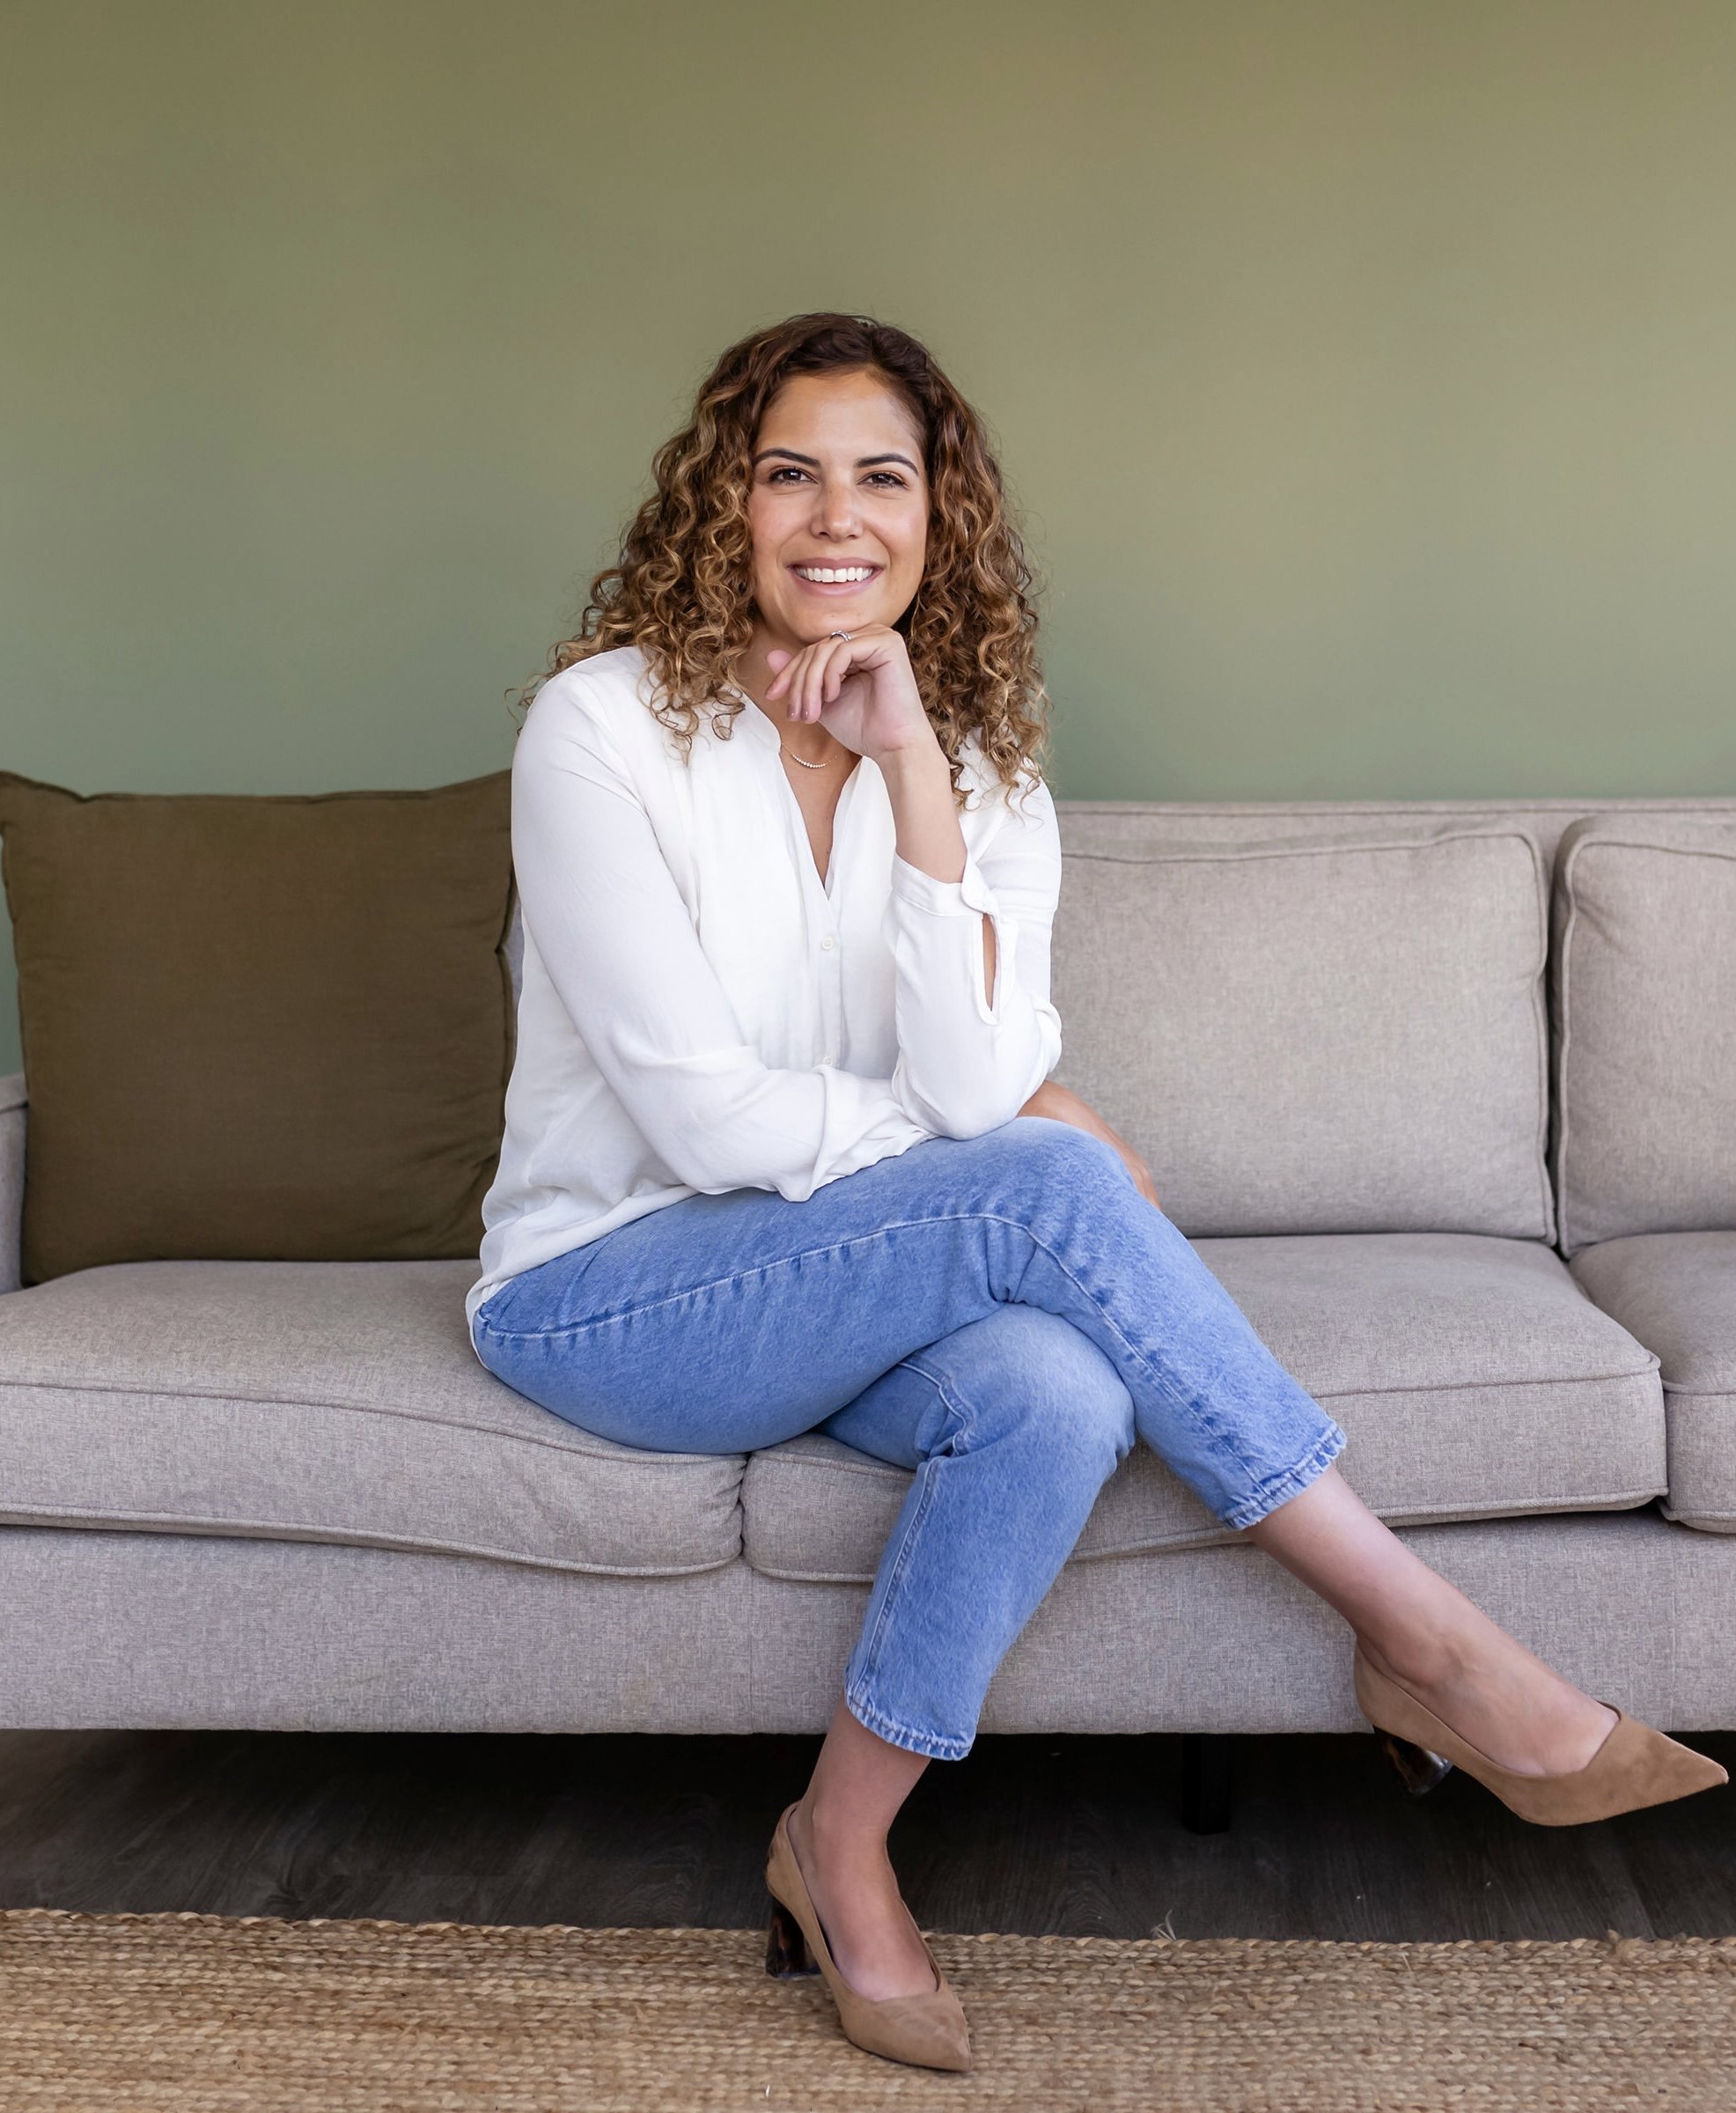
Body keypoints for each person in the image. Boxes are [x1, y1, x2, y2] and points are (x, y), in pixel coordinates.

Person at [467, 311, 1725, 2074]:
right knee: (1046, 1177)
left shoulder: (976, 770)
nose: (837, 519)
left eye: (882, 478)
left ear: (938, 515)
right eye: (787, 474)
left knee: (1053, 1391)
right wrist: (1018, 1138)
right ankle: (1424, 1639)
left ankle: (835, 1846)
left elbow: (971, 1086)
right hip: (612, 1289)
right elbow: (699, 1122)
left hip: (843, 1283)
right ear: (720, 507)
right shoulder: (601, 728)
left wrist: (912, 769)